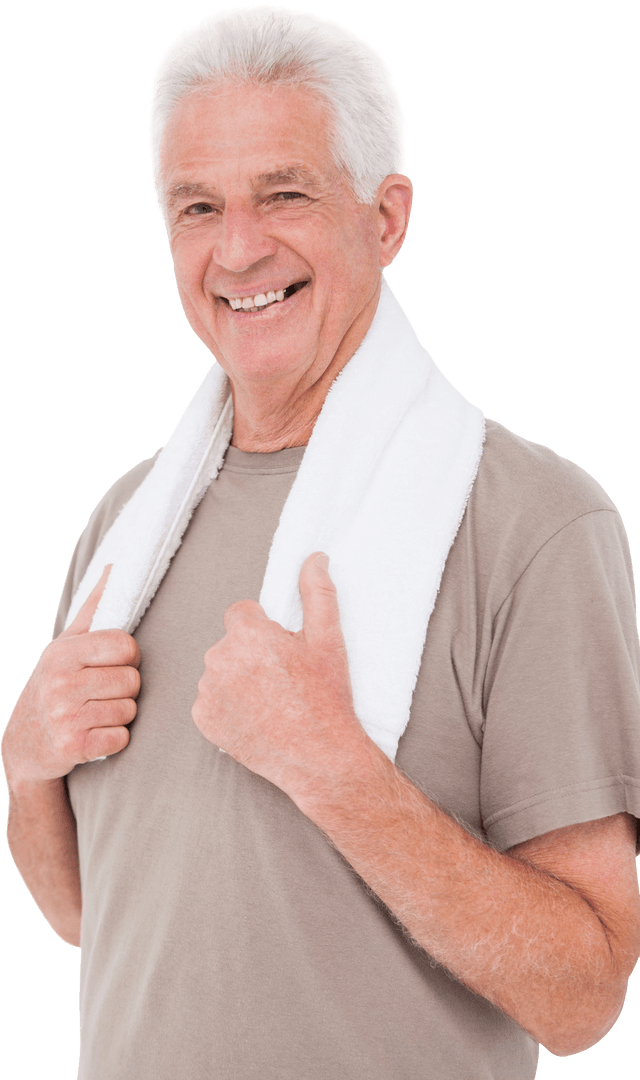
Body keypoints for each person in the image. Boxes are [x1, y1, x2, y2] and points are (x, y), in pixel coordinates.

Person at [2, 6, 639, 1078]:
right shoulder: (126, 525)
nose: (238, 248)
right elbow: (95, 920)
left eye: (284, 194)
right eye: (198, 206)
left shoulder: (533, 524)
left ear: (385, 218)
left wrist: (335, 772)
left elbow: (584, 997)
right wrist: (26, 773)